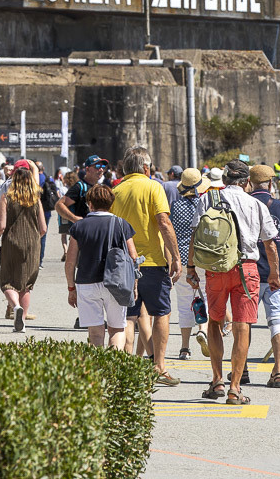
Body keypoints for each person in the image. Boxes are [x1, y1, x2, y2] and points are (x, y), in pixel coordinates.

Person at [187, 159, 280, 406]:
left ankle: (217, 380)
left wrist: (190, 268)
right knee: (242, 327)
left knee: (215, 322)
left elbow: (195, 236)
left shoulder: (207, 199)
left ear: (224, 180)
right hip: (247, 269)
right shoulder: (256, 204)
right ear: (246, 182)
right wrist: (274, 274)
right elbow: (270, 243)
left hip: (216, 268)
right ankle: (235, 388)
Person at [111, 146, 183, 385]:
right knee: (161, 312)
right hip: (152, 261)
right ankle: (158, 367)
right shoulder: (154, 187)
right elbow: (164, 222)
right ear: (145, 167)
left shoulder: (116, 190)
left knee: (129, 317)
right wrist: (176, 257)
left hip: (124, 263)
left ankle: (128, 368)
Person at [65, 184, 138, 348]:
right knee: (117, 329)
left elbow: (70, 261)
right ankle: (113, 368)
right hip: (116, 283)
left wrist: (71, 288)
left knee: (95, 332)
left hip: (86, 283)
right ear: (111, 204)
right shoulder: (121, 224)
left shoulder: (79, 226)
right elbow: (134, 257)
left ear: (89, 203)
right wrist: (134, 286)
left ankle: (98, 370)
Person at [250, 164, 280, 388]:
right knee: (277, 320)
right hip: (276, 274)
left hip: (249, 271)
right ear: (271, 184)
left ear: (250, 183)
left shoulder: (246, 204)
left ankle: (240, 372)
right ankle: (278, 371)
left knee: (244, 323)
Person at [0, 161, 47, 332]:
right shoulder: (36, 199)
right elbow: (43, 228)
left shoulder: (6, 198)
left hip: (12, 243)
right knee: (26, 284)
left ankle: (15, 306)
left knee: (8, 282)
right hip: (33, 245)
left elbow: (1, 226)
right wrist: (33, 238)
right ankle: (22, 322)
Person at [170, 168, 209, 359]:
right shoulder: (205, 204)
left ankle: (184, 348)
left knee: (184, 303)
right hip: (202, 258)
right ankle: (202, 329)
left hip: (181, 259)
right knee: (205, 296)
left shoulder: (175, 206)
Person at [57, 169, 79, 259]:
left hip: (63, 213)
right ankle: (71, 251)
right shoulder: (76, 189)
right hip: (73, 212)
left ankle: (65, 250)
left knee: (63, 234)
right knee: (73, 235)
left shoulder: (63, 188)